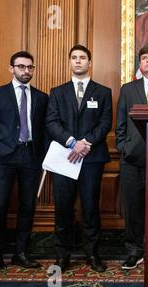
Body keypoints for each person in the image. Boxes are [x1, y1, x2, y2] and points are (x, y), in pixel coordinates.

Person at [0, 51, 48, 277]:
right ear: (12, 69)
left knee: (27, 207)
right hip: (4, 157)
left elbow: (45, 130)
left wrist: (44, 156)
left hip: (31, 157)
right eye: (21, 67)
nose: (26, 71)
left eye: (30, 67)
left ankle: (21, 253)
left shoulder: (41, 97)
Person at [46, 45, 112, 273]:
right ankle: (62, 256)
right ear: (69, 62)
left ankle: (93, 255)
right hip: (64, 158)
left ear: (89, 62)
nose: (78, 61)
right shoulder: (57, 92)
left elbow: (105, 123)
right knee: (63, 208)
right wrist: (73, 142)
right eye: (73, 57)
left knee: (91, 208)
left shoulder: (103, 92)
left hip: (92, 159)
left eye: (82, 58)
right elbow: (52, 123)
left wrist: (85, 144)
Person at [116, 46, 148, 270]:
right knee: (133, 207)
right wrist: (123, 148)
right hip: (132, 159)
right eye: (144, 58)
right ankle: (134, 251)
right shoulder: (128, 89)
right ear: (139, 65)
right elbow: (120, 124)